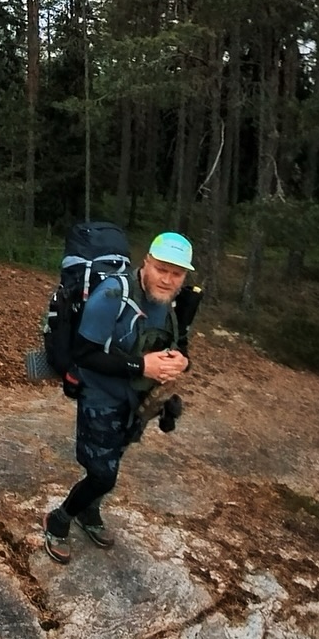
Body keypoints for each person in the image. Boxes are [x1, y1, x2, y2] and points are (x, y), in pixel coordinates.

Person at [43, 231, 195, 564]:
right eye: (162, 269)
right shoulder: (112, 295)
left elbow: (179, 344)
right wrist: (142, 365)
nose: (168, 280)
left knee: (115, 457)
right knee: (103, 474)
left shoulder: (174, 303)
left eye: (177, 273)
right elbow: (85, 354)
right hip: (100, 396)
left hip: (137, 400)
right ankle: (59, 519)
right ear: (148, 263)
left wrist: (181, 360)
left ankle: (88, 512)